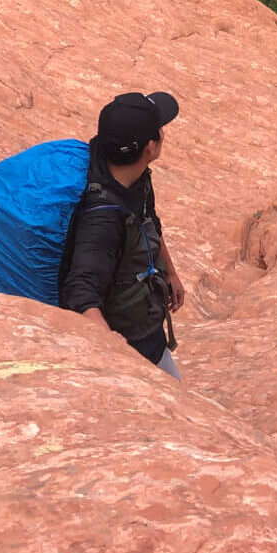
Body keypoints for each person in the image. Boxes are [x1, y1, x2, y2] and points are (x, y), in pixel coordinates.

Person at [58, 90, 186, 379]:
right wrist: (113, 354)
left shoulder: (132, 175)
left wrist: (170, 273)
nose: (164, 132)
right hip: (133, 347)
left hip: (148, 331)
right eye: (159, 129)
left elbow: (149, 220)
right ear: (150, 147)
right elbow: (81, 292)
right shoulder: (102, 218)